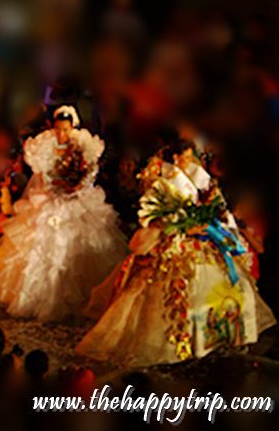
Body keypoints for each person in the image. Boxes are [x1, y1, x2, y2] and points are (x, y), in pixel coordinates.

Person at [77, 140, 275, 366]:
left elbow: (209, 202)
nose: (189, 161)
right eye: (185, 157)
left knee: (216, 286)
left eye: (191, 157)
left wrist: (208, 218)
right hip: (175, 238)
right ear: (175, 158)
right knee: (168, 290)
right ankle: (178, 342)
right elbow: (159, 215)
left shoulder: (197, 176)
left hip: (199, 236)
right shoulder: (163, 181)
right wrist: (184, 226)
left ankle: (213, 336)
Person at [0, 105, 126, 321]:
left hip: (77, 200)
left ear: (73, 127)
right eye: (58, 129)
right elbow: (43, 177)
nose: (62, 134)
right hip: (50, 198)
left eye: (66, 130)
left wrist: (77, 186)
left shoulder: (82, 143)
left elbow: (90, 173)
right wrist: (58, 186)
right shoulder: (45, 145)